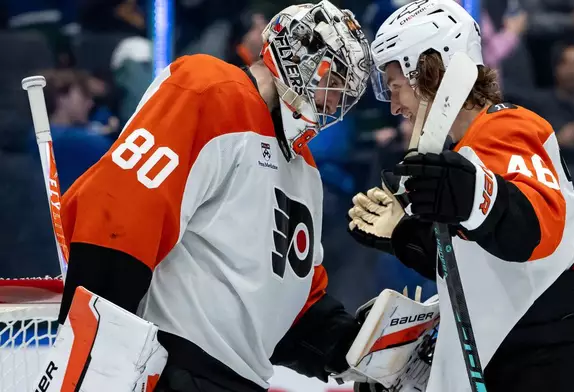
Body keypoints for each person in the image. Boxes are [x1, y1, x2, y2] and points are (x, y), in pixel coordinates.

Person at [56, 2, 373, 391]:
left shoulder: (304, 166)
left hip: (242, 380)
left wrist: (356, 346)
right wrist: (99, 349)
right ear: (296, 56)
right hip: (172, 366)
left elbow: (287, 304)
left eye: (345, 90)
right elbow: (120, 211)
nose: (335, 99)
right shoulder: (210, 87)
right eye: (331, 78)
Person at [347, 0, 574, 391]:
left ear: (428, 69)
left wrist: (471, 193)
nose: (393, 106)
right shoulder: (459, 156)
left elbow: (538, 228)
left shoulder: (506, 126)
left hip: (550, 358)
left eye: (395, 88)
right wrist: (404, 235)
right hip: (510, 351)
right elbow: (480, 263)